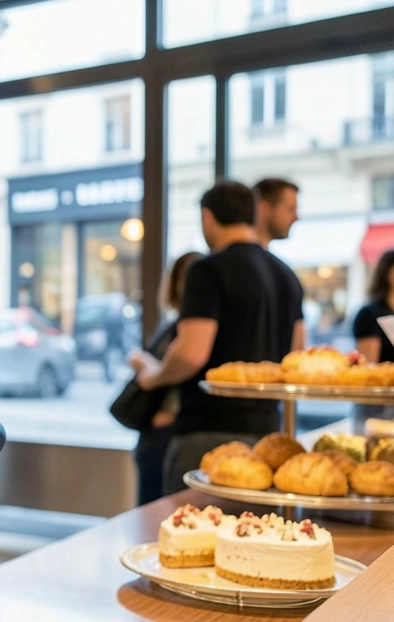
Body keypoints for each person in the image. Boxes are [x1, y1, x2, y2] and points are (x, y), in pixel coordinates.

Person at [129, 180, 305, 496]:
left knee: (193, 535)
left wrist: (154, 377)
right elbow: (297, 355)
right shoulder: (286, 274)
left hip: (208, 434)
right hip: (267, 434)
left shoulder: (207, 269)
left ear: (207, 217)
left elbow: (191, 354)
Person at [132, 251, 201, 506]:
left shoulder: (191, 330)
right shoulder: (175, 326)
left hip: (171, 430)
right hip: (157, 435)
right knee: (151, 514)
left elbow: (186, 365)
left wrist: (150, 370)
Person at [252, 177, 299, 249]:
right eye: (290, 209)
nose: (296, 218)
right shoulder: (243, 257)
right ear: (264, 209)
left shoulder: (261, 257)